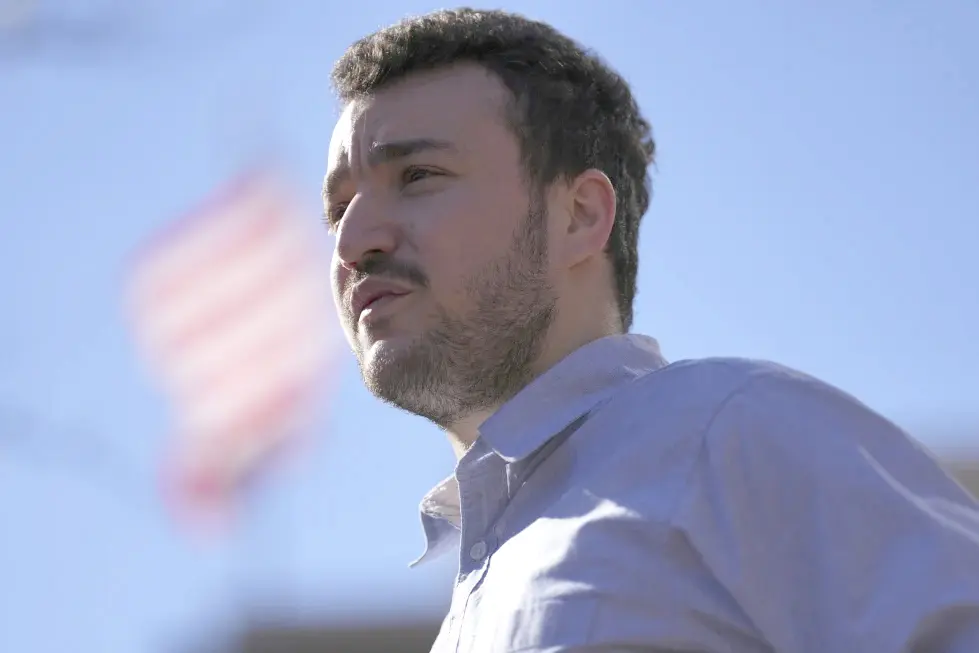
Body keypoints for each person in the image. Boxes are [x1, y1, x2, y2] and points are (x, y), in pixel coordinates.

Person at [322, 8, 979, 652]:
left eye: (417, 176)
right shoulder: (467, 613)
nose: (353, 240)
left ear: (579, 215)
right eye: (337, 207)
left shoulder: (723, 430)